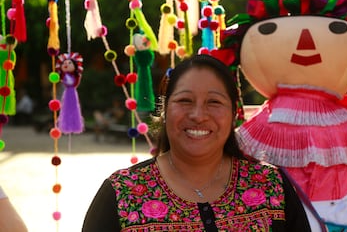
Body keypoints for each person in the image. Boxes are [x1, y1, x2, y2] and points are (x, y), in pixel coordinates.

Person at [82, 54, 311, 231]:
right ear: (164, 110)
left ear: (234, 113)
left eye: (214, 102)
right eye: (184, 100)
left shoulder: (271, 185)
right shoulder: (123, 192)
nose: (198, 115)